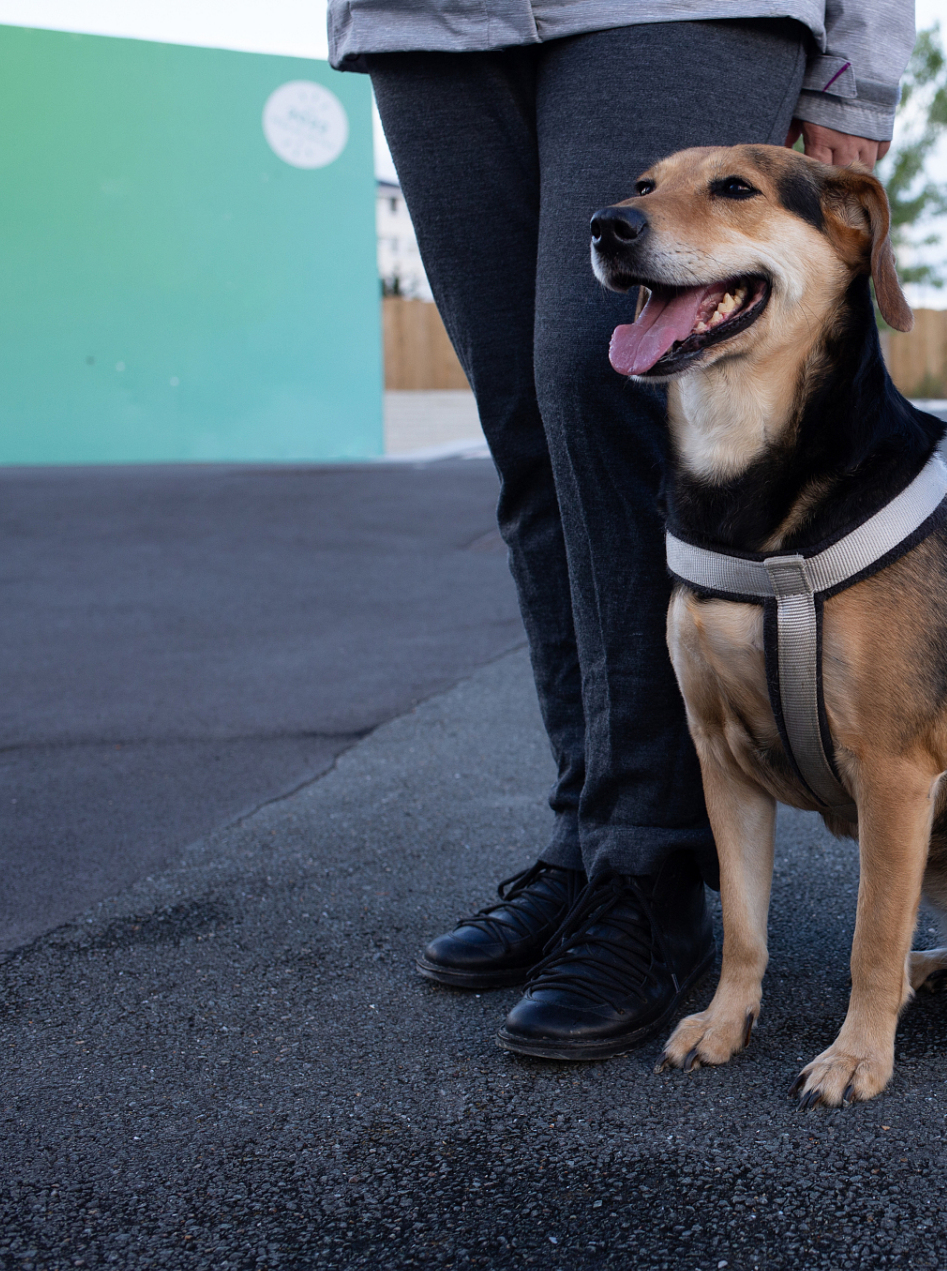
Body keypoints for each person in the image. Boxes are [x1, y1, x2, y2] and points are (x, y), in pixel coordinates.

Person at [328, 1, 916, 1060]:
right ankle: (590, 834)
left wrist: (859, 70)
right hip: (427, 24)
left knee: (601, 387)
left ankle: (654, 862)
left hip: (673, 12)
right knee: (529, 428)